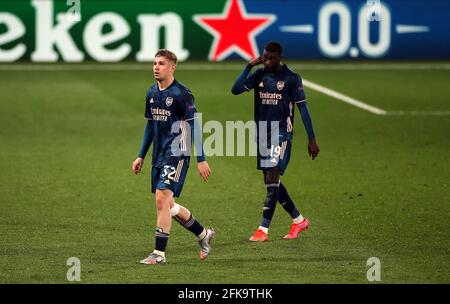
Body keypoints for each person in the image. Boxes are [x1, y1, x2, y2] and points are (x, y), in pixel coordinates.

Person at [132, 49, 214, 264]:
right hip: (158, 154)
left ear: (172, 67)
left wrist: (201, 158)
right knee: (169, 205)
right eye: (154, 63)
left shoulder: (182, 94)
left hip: (177, 153)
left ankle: (159, 254)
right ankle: (204, 234)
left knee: (161, 198)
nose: (156, 67)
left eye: (161, 64)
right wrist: (141, 156)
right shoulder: (151, 93)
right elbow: (150, 127)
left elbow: (195, 126)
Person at [231, 41, 319, 242]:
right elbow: (235, 90)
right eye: (265, 57)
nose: (267, 61)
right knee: (271, 182)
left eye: (271, 58)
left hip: (281, 134)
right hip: (262, 134)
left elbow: (303, 109)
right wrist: (248, 66)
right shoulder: (259, 74)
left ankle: (263, 229)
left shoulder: (291, 79)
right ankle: (299, 220)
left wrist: (311, 138)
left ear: (279, 58)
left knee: (272, 179)